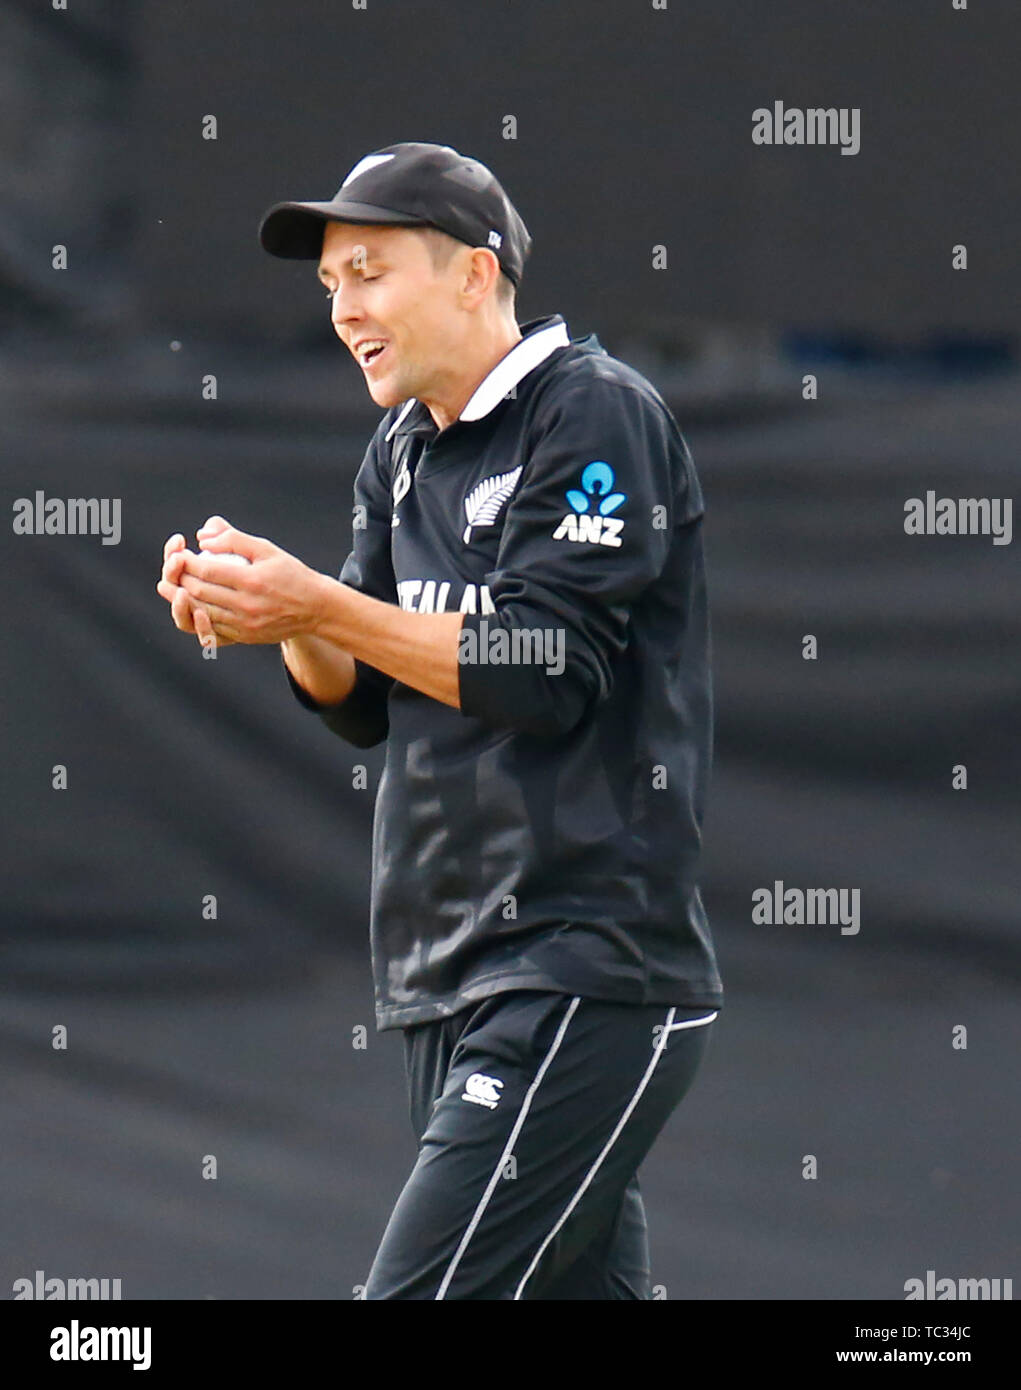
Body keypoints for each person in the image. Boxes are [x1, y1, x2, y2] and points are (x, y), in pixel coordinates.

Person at [157, 141, 724, 1300]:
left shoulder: (594, 413)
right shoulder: (402, 449)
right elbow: (359, 704)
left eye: (367, 271)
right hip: (442, 976)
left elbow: (542, 668)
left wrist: (317, 601)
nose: (343, 308)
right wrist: (276, 614)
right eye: (329, 286)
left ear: (473, 275)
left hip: (581, 965)